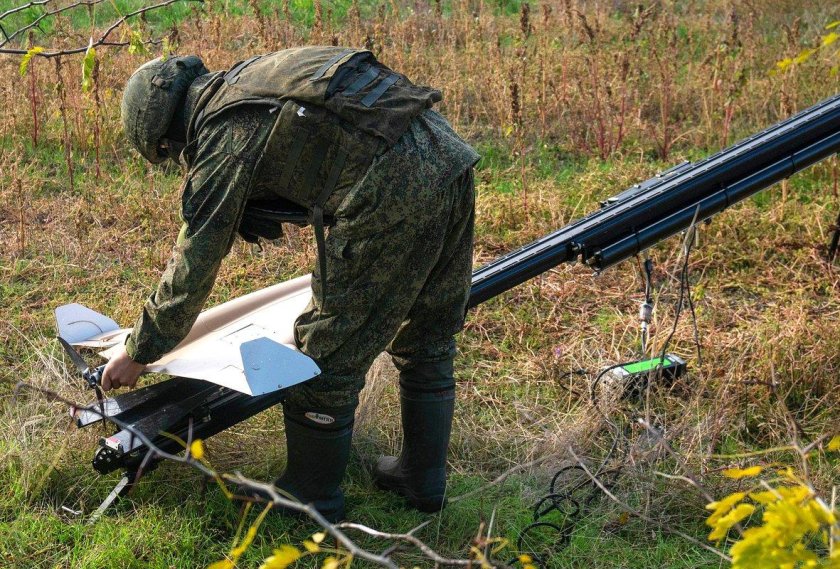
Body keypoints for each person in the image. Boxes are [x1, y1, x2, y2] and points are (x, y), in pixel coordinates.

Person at [104, 47, 479, 522]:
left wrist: (139, 349)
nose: (177, 160)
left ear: (168, 132)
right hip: (446, 154)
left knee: (322, 352)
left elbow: (194, 263)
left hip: (390, 183)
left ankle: (311, 494)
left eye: (167, 154)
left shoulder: (224, 131)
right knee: (428, 329)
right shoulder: (248, 81)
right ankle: (422, 478)